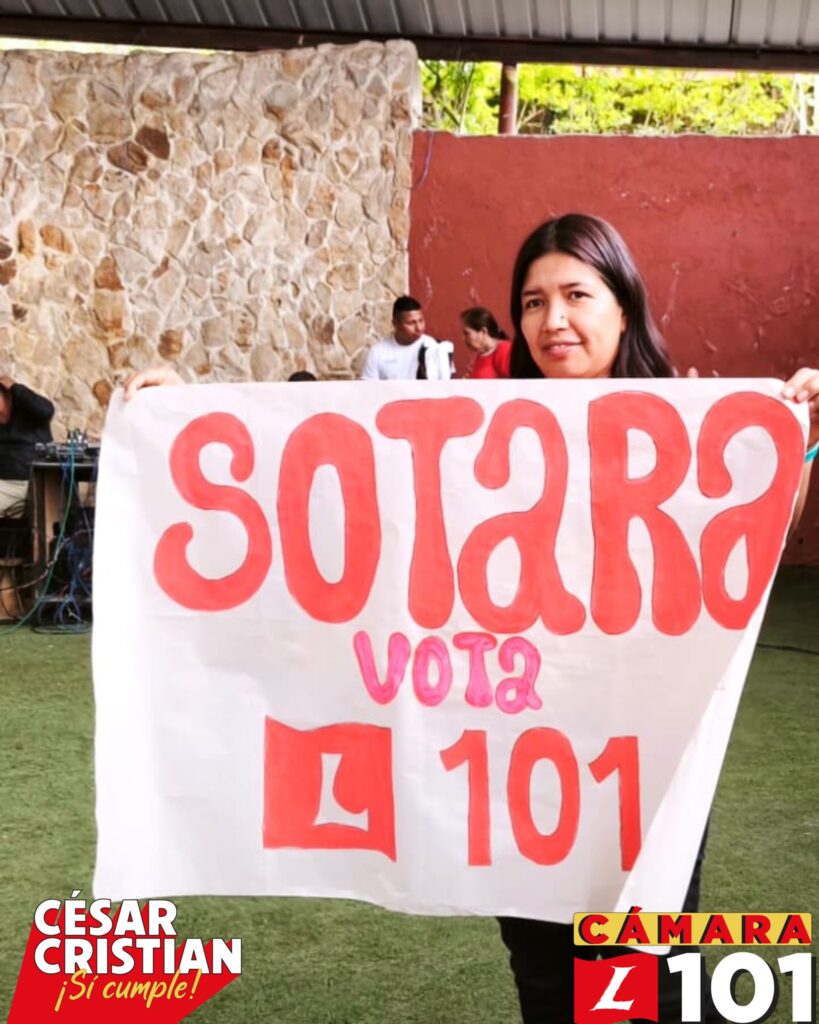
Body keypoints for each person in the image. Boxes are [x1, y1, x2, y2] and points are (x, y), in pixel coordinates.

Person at [498, 212, 818, 1024]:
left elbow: (755, 545)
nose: (552, 319)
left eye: (575, 294)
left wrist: (795, 438)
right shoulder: (479, 437)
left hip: (647, 758)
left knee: (644, 980)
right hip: (517, 753)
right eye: (532, 302)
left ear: (624, 306)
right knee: (543, 979)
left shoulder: (685, 422)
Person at [0, 373, 55, 517]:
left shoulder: (27, 409)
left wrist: (15, 387)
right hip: (5, 485)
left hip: (35, 483)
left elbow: (47, 410)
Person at [360, 295, 449, 380]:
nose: (418, 328)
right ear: (395, 324)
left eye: (421, 321)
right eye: (411, 323)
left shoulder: (433, 347)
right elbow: (368, 387)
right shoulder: (378, 352)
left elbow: (445, 385)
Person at [461, 306, 512, 378]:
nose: (463, 338)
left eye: (467, 333)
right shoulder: (481, 355)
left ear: (483, 331)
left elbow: (511, 381)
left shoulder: (504, 350)